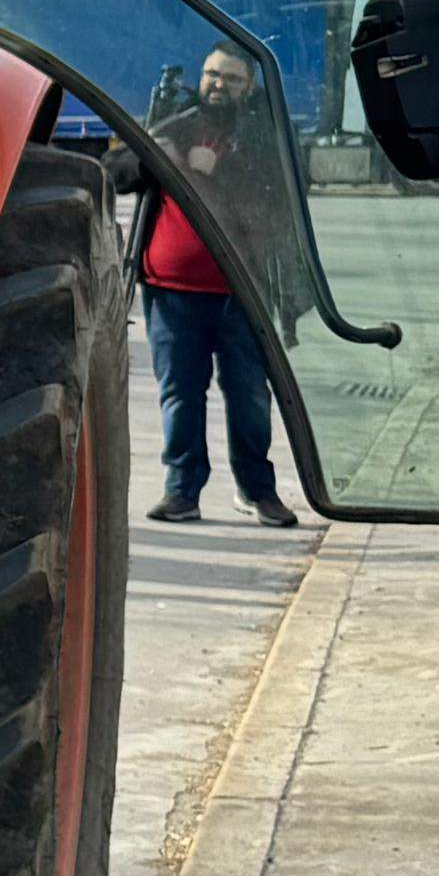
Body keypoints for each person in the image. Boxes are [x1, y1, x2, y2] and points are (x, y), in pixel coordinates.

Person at [137, 44, 299, 530]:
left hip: (242, 291)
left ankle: (257, 490)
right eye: (210, 74)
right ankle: (181, 491)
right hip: (171, 289)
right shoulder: (176, 123)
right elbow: (118, 173)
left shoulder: (263, 137)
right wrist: (155, 156)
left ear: (249, 87)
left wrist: (218, 170)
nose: (216, 84)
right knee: (180, 393)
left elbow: (284, 195)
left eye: (230, 78)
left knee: (249, 393)